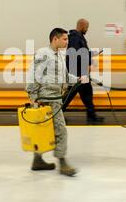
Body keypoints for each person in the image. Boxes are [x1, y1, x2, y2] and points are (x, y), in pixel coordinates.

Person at [26, 28, 89, 177]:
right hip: (46, 99)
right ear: (55, 39)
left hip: (55, 98)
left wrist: (79, 79)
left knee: (43, 130)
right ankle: (62, 162)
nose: (67, 42)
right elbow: (33, 74)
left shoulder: (58, 55)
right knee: (60, 130)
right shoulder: (43, 53)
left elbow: (65, 77)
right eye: (65, 39)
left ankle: (37, 160)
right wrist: (33, 96)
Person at [63, 19, 104, 123]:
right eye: (86, 27)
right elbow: (76, 54)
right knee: (72, 94)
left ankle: (91, 115)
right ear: (81, 26)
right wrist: (87, 64)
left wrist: (91, 55)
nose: (87, 29)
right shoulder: (75, 38)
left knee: (86, 93)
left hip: (80, 71)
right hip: (77, 72)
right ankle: (56, 115)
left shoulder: (78, 38)